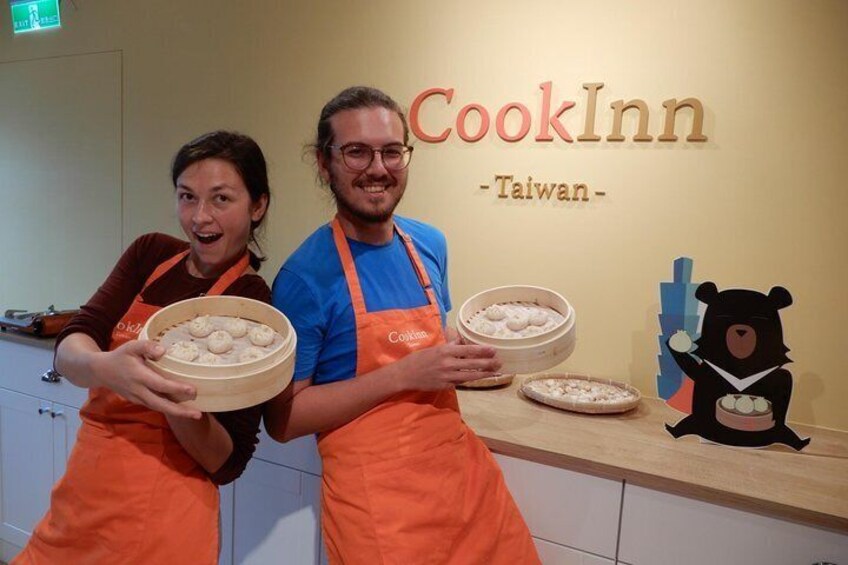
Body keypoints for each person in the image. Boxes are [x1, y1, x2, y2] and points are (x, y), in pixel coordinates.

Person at [264, 86, 540, 564]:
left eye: (392, 151)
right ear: (323, 163)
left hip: (463, 480)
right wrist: (405, 374)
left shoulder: (428, 244)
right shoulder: (304, 278)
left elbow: (434, 338)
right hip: (377, 505)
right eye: (356, 152)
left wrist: (471, 349)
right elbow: (284, 420)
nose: (378, 168)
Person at [14, 131, 272, 564]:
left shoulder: (253, 305)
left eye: (221, 199)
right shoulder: (149, 254)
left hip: (164, 513)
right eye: (187, 197)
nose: (200, 218)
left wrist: (169, 395)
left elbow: (226, 461)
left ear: (257, 205)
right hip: (82, 497)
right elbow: (72, 345)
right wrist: (105, 367)